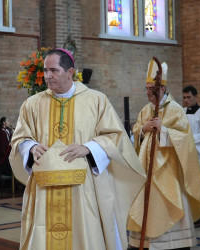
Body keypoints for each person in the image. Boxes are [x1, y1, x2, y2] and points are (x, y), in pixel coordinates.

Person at [9, 48, 146, 250]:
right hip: (44, 185)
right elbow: (19, 137)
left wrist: (88, 148)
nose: (47, 76)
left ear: (70, 71)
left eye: (54, 70)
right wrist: (30, 147)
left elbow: (115, 136)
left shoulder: (96, 100)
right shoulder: (32, 104)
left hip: (84, 186)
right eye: (45, 71)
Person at [127, 60, 200, 250]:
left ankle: (171, 243)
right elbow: (136, 133)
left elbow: (185, 140)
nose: (147, 92)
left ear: (162, 88)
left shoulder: (176, 110)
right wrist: (142, 129)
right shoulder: (146, 110)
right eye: (146, 88)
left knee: (167, 206)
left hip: (168, 172)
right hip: (146, 171)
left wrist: (163, 130)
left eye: (150, 88)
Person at [182, 86, 200, 217]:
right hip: (185, 152)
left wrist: (188, 139)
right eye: (184, 97)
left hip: (199, 154)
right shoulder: (181, 112)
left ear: (196, 97)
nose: (186, 100)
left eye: (189, 97)